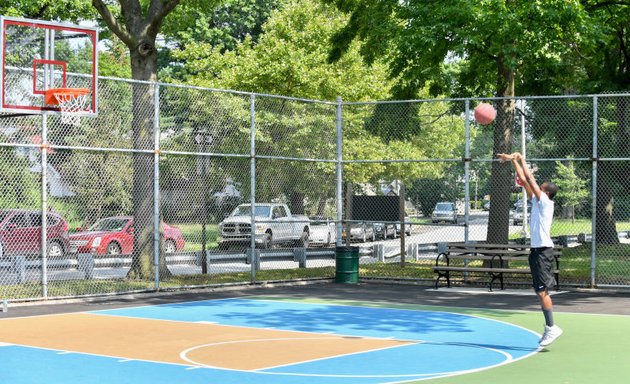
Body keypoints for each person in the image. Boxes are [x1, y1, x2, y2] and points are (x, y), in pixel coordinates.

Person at [498, 152, 562, 347]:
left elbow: (530, 179)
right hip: (536, 251)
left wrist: (522, 159)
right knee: (538, 290)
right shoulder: (537, 200)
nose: (537, 187)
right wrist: (513, 161)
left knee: (542, 291)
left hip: (543, 251)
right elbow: (525, 182)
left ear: (546, 192)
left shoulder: (545, 203)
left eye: (541, 187)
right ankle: (550, 327)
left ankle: (552, 328)